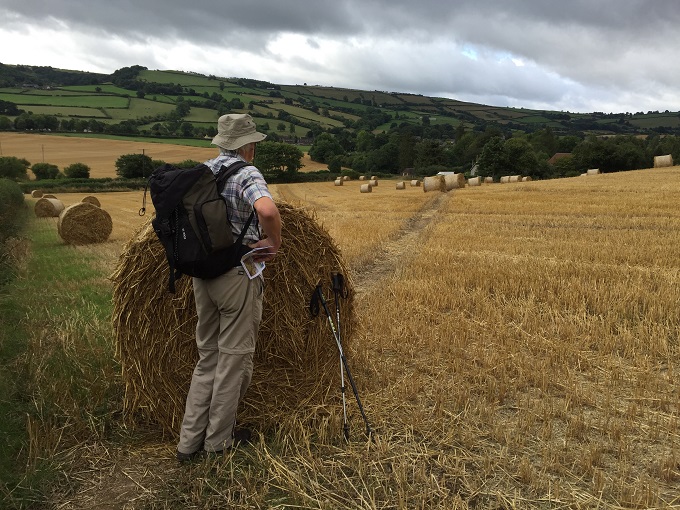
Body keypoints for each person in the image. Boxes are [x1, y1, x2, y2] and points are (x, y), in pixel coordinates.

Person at [176, 113, 281, 462]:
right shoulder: (246, 173)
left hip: (202, 275)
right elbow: (267, 210)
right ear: (248, 146)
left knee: (208, 358)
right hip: (236, 276)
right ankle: (218, 443)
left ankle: (188, 443)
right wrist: (274, 242)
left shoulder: (205, 170)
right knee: (233, 359)